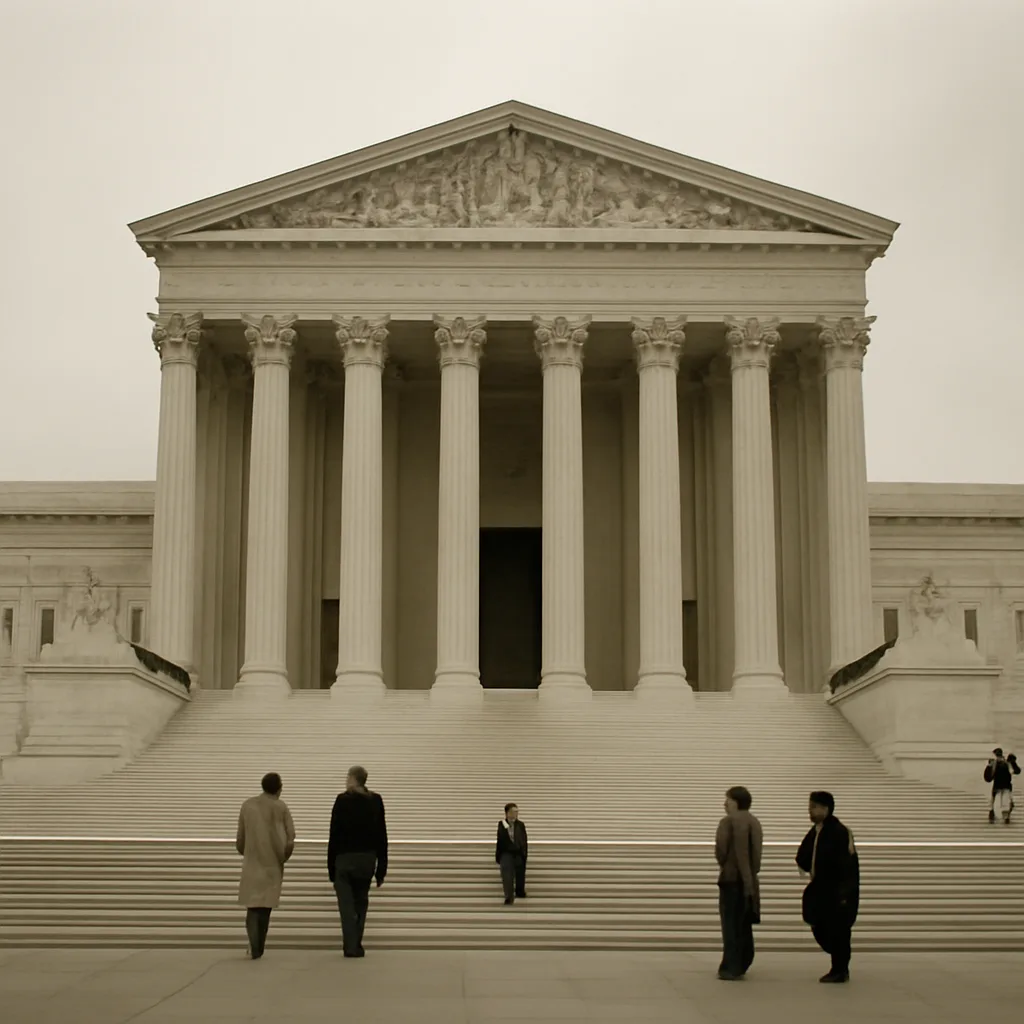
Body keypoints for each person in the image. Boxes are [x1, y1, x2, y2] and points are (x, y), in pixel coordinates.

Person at [796, 791, 859, 983]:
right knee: (818, 921)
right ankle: (838, 961)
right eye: (810, 807)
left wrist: (843, 894)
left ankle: (840, 969)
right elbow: (804, 854)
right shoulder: (817, 830)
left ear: (826, 808)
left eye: (814, 807)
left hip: (836, 890)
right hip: (821, 887)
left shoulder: (838, 832)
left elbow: (846, 865)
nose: (810, 811)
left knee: (838, 929)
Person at [327, 765, 388, 957]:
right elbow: (382, 835)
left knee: (346, 906)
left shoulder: (342, 800)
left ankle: (350, 946)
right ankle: (356, 944)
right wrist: (381, 869)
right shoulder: (376, 801)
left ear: (353, 779)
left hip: (344, 859)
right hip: (367, 859)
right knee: (361, 902)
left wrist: (330, 865)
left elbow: (334, 834)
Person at [235, 772, 295, 960]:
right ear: (279, 788)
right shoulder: (281, 807)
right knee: (265, 907)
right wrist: (283, 857)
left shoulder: (248, 805)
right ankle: (259, 944)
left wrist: (248, 852)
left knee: (252, 906)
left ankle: (254, 945)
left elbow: (240, 840)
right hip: (272, 864)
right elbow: (290, 838)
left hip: (253, 862)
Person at [714, 785, 763, 981]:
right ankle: (744, 960)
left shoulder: (727, 822)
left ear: (736, 802)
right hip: (749, 879)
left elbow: (721, 850)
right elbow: (757, 856)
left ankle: (730, 965)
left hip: (731, 878)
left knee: (730, 922)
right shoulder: (755, 821)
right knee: (744, 922)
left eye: (728, 799)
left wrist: (727, 864)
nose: (725, 803)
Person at [495, 803, 528, 904]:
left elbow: (524, 840)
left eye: (517, 812)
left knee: (520, 873)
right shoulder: (502, 824)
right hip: (506, 853)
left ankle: (519, 891)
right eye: (513, 812)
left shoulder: (520, 825)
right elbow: (500, 840)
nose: (515, 814)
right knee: (507, 875)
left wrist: (524, 853)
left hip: (518, 853)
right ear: (507, 813)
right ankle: (508, 897)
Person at [985, 749, 1021, 824]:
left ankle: (1004, 815)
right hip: (1000, 788)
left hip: (1003, 788)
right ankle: (1000, 814)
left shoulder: (1006, 764)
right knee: (1000, 803)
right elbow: (988, 778)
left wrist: (1013, 762)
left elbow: (1017, 771)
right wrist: (989, 767)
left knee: (1004, 803)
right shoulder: (996, 764)